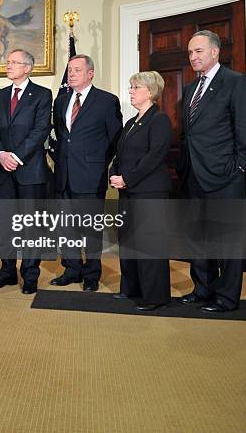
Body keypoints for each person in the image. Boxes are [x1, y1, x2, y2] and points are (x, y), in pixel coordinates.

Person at [177, 30, 246, 312]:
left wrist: (240, 167)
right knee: (199, 237)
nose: (193, 57)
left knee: (228, 240)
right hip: (194, 176)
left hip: (226, 176)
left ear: (215, 52)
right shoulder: (189, 88)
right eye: (190, 53)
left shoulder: (236, 83)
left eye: (198, 51)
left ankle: (227, 297)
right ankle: (203, 289)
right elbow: (190, 134)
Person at [51, 54, 122, 291]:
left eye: (77, 70)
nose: (71, 74)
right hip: (63, 175)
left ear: (90, 73)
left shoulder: (107, 101)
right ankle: (72, 270)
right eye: (69, 70)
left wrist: (99, 163)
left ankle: (91, 274)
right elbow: (62, 137)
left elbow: (115, 139)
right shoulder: (61, 101)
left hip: (91, 176)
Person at [0, 49, 52, 294]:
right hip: (3, 169)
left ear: (27, 68)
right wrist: (1, 154)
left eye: (14, 62)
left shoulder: (42, 94)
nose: (9, 65)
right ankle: (7, 272)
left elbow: (40, 130)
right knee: (7, 224)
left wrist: (16, 156)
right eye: (8, 61)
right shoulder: (0, 96)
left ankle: (30, 274)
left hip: (29, 170)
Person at [109, 71, 172, 311]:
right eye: (131, 87)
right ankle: (131, 288)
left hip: (149, 193)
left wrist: (127, 178)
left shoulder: (159, 120)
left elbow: (153, 157)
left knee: (149, 244)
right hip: (128, 191)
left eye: (135, 87)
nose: (131, 91)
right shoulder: (131, 122)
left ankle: (154, 296)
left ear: (151, 91)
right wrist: (115, 175)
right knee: (129, 241)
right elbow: (120, 154)